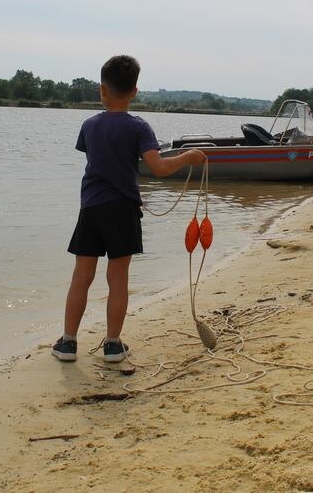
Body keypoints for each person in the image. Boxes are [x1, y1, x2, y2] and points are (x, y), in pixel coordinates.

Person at [53, 56, 206, 363]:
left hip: (92, 208)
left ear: (102, 89)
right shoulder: (139, 127)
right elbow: (159, 168)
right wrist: (187, 157)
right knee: (118, 278)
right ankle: (112, 344)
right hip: (123, 210)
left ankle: (68, 342)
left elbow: (94, 158)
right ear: (135, 91)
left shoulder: (89, 125)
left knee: (81, 276)